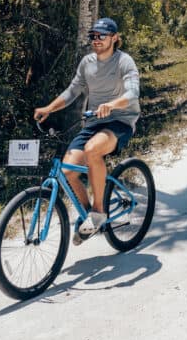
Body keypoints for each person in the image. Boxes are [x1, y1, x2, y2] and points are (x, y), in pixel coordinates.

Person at [34, 17, 140, 243]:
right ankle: (87, 216)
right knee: (67, 171)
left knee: (93, 150)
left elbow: (132, 94)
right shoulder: (87, 63)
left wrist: (112, 105)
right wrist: (48, 109)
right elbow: (72, 92)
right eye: (93, 36)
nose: (97, 40)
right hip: (93, 123)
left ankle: (99, 212)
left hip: (120, 120)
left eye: (102, 36)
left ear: (114, 38)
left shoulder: (124, 61)